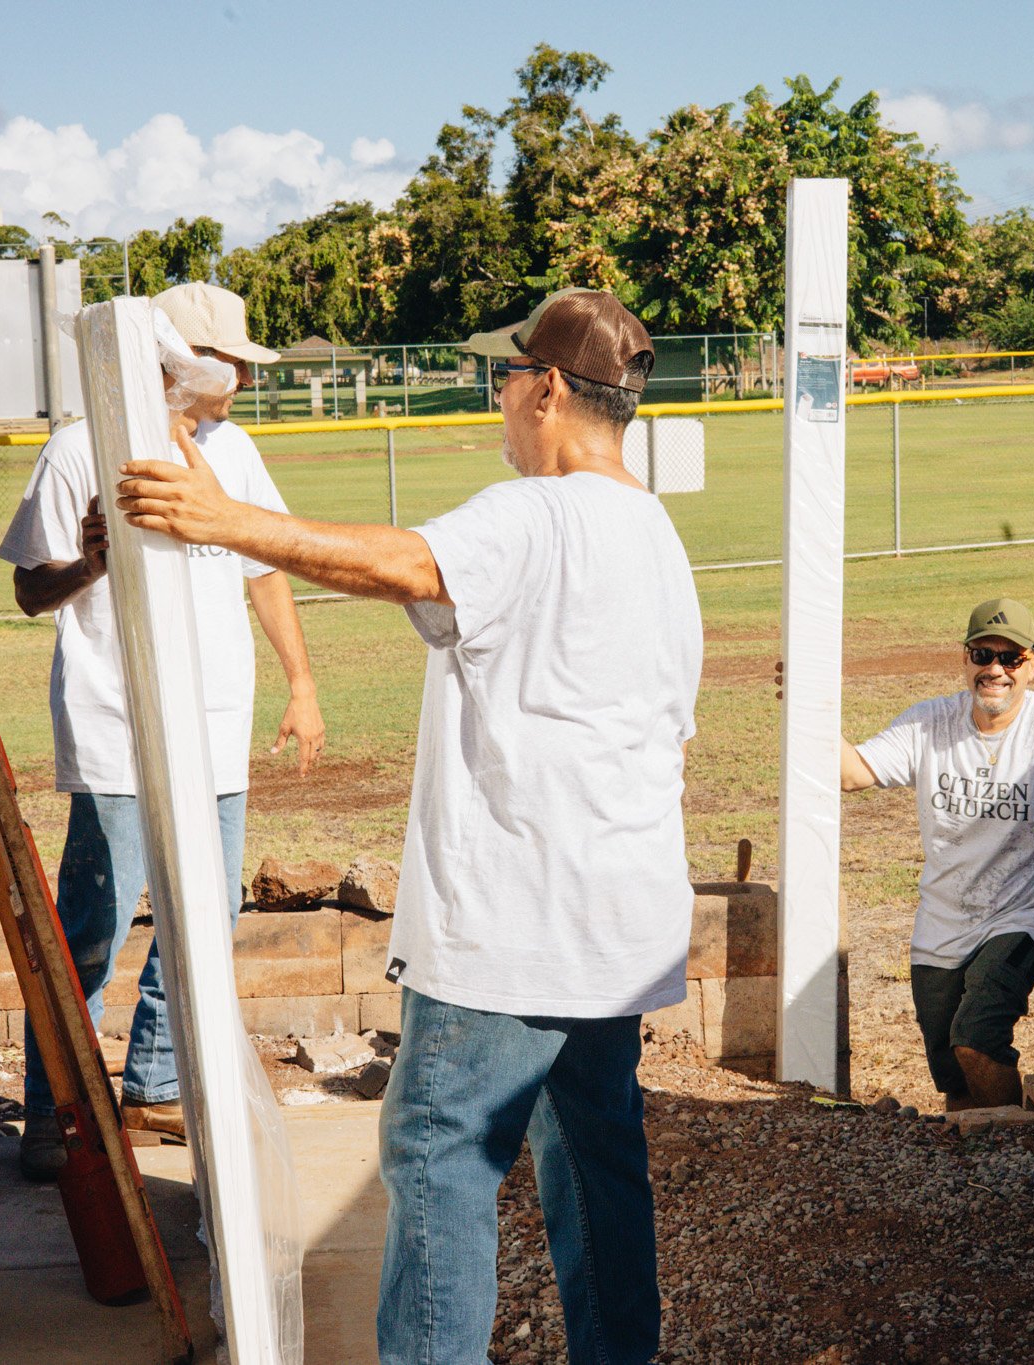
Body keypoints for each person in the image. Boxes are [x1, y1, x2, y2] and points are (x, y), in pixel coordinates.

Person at [114, 287, 700, 1365]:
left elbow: (408, 566)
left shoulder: (536, 513)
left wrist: (222, 522)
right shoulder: (655, 531)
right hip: (618, 926)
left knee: (438, 1153)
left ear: (552, 391)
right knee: (594, 1159)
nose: (499, 397)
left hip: (514, 933)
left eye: (507, 376)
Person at [0, 282, 325, 1180]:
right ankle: (54, 1111)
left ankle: (151, 1083)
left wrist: (300, 682)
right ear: (178, 361)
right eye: (234, 365)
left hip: (215, 728)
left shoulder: (235, 449)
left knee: (204, 922)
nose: (246, 383)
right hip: (117, 731)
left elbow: (264, 570)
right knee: (93, 924)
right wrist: (92, 561)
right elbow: (29, 591)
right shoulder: (78, 449)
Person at [841, 597, 1034, 1111]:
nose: (995, 670)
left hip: (1023, 915)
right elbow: (851, 773)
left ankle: (1017, 1148)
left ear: (1033, 664)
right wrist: (803, 709)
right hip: (942, 919)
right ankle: (977, 1170)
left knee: (977, 1037)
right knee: (954, 1075)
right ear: (964, 659)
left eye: (1011, 658)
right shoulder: (929, 724)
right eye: (983, 655)